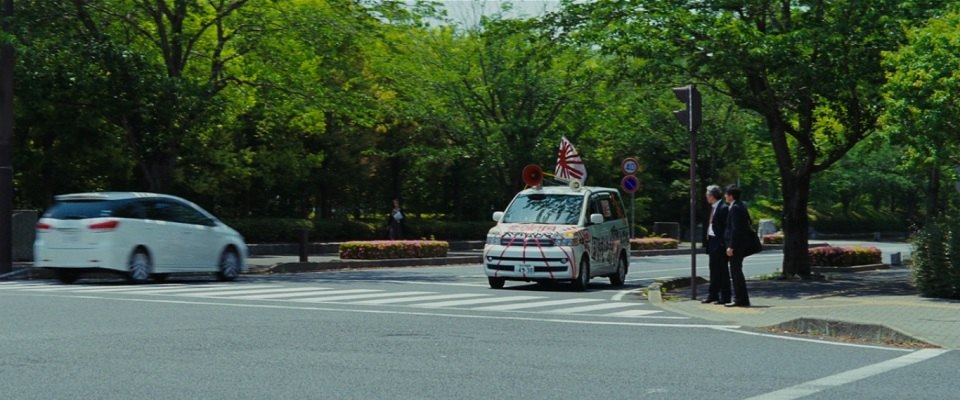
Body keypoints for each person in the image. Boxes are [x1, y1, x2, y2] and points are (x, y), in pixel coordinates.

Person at [723, 184, 752, 307]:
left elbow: (735, 229)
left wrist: (731, 246)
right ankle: (742, 299)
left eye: (726, 194)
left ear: (730, 196)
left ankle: (739, 299)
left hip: (736, 246)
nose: (725, 196)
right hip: (741, 244)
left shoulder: (734, 207)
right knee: (736, 271)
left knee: (735, 272)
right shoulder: (741, 205)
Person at [701, 185, 731, 304]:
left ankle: (725, 297)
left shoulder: (723, 208)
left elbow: (726, 228)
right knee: (713, 270)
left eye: (707, 194)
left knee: (722, 271)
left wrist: (724, 243)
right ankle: (713, 295)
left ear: (712, 196)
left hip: (720, 243)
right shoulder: (714, 207)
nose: (706, 197)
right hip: (712, 241)